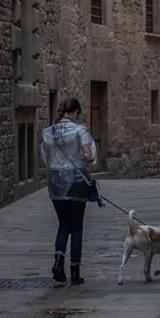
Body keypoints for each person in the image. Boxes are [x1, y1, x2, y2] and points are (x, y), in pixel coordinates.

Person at [40, 97, 98, 286]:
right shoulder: (80, 130)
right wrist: (87, 157)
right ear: (74, 113)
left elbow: (44, 157)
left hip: (55, 181)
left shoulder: (49, 133)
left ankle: (58, 260)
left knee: (63, 224)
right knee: (77, 226)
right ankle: (75, 271)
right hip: (75, 179)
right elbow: (88, 156)